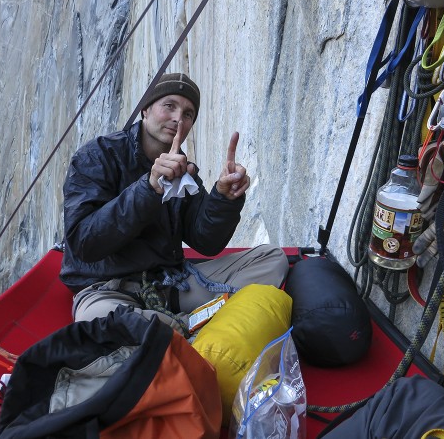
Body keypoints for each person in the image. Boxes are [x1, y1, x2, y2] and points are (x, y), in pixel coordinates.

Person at [59, 72, 289, 336]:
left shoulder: (183, 169)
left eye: (188, 113)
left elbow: (206, 242)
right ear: (145, 109)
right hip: (108, 291)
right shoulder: (97, 156)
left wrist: (223, 198)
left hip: (170, 287)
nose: (179, 118)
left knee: (272, 260)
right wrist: (149, 187)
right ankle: (186, 327)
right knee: (96, 320)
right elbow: (84, 243)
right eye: (169, 106)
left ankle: (167, 328)